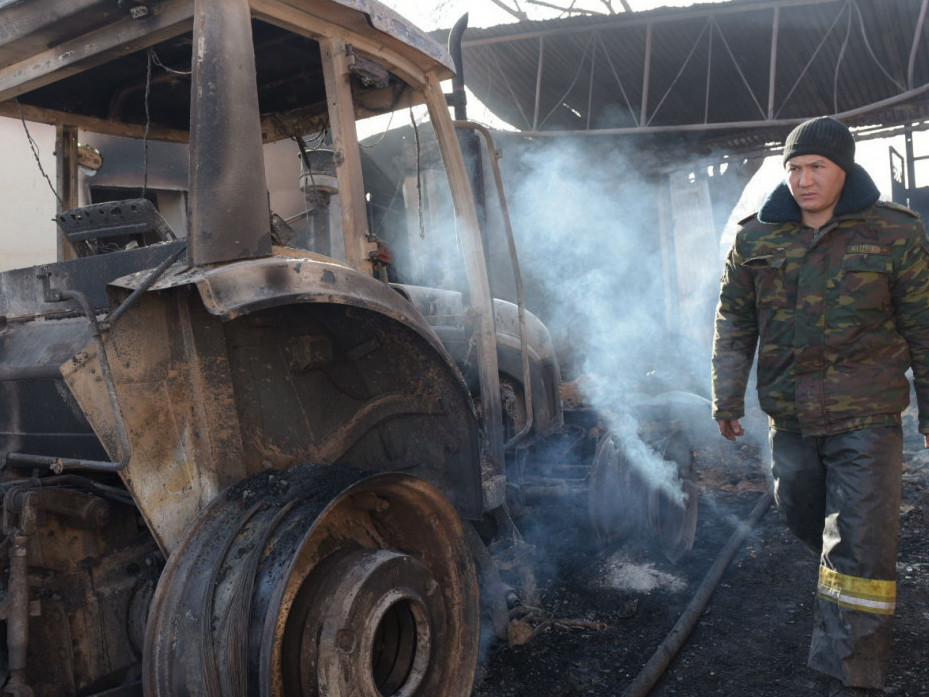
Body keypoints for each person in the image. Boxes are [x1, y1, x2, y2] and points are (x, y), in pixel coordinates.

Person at [711, 116, 929, 697]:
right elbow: (735, 323)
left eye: (818, 167)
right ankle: (851, 599)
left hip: (869, 418)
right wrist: (727, 397)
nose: (805, 180)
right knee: (802, 512)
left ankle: (852, 672)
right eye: (796, 168)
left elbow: (924, 326)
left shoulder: (894, 234)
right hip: (792, 419)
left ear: (844, 170)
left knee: (859, 542)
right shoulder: (756, 238)